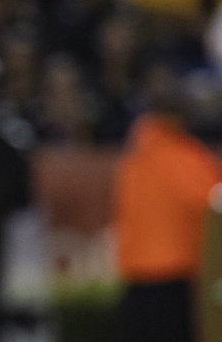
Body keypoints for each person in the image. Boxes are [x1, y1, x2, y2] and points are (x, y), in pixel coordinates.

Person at [112, 61, 222, 342]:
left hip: (136, 272)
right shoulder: (188, 158)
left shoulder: (134, 151)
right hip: (175, 273)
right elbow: (213, 209)